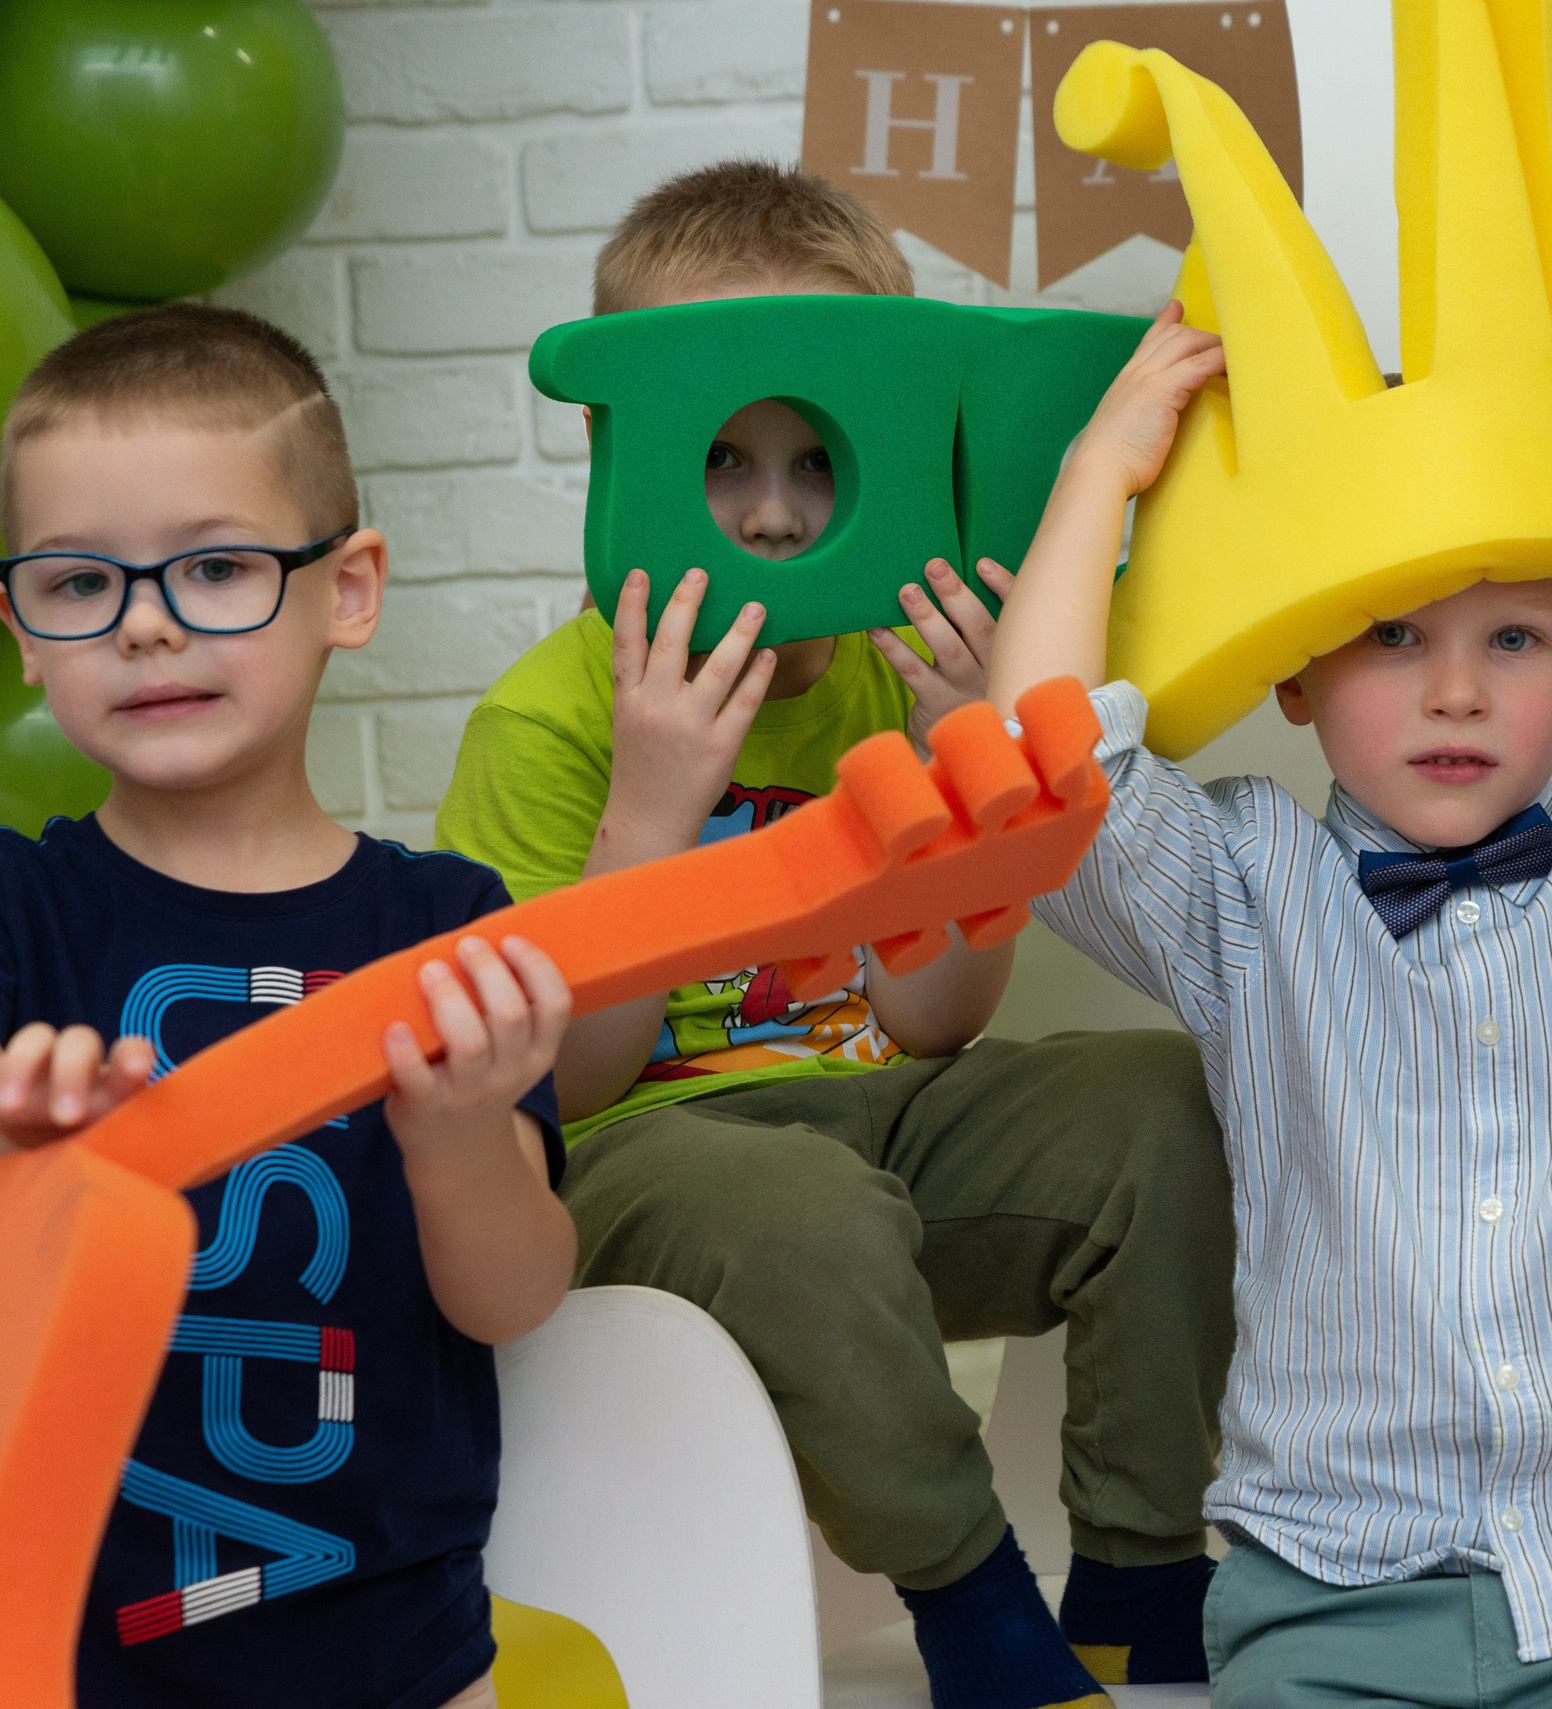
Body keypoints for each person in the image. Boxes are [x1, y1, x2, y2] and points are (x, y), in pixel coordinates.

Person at [986, 303, 1552, 1705]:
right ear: (1297, 664)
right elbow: (1044, 779)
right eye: (1395, 632)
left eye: (1516, 639)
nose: (1457, 690)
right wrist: (1099, 471)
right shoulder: (1243, 879)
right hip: (1332, 1592)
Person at [433, 161, 1234, 1709]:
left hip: (884, 1127)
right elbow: (567, 1086)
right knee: (785, 1192)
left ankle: (1144, 1568)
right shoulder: (544, 719)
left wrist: (967, 774)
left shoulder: (890, 668)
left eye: (818, 458)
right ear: (625, 452)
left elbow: (936, 1021)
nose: (779, 513)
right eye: (724, 460)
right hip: (655, 1171)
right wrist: (653, 811)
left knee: (1162, 1100)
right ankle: (969, 1597)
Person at [0, 304, 574, 1709]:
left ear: (351, 587)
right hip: (67, 1656)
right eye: (79, 584)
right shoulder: (19, 915)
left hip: (405, 1658)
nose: (145, 624)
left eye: (215, 566)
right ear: (20, 632)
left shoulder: (448, 923)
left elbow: (517, 1295)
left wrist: (455, 1132)